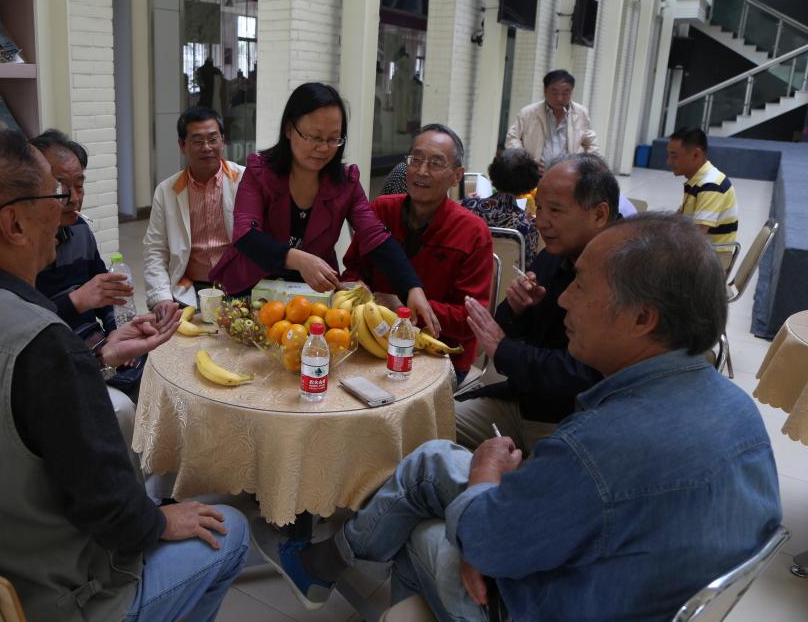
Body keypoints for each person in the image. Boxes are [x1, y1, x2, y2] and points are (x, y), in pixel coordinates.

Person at [254, 212, 781, 621]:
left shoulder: (597, 446)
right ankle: (326, 562)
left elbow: (491, 541)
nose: (565, 300)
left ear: (642, 318)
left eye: (582, 287)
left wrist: (484, 490)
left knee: (426, 533)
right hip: (622, 578)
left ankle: (337, 566)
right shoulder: (739, 410)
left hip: (550, 603)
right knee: (432, 461)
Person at [0, 131, 248, 622]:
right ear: (14, 223)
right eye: (54, 195)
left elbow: (9, 410)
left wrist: (98, 359)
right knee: (229, 529)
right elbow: (116, 517)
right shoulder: (41, 341)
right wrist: (159, 519)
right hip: (42, 601)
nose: (65, 208)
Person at [210, 82, 441, 335]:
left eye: (333, 139)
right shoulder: (259, 172)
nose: (323, 148)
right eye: (314, 137)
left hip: (312, 298)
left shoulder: (346, 183)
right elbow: (246, 235)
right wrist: (299, 259)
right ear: (289, 129)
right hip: (249, 290)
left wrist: (411, 287)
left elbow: (376, 237)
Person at [456, 154, 617, 454]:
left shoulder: (622, 273)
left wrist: (504, 349)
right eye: (538, 207)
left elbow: (584, 375)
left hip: (576, 420)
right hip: (521, 401)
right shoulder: (554, 255)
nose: (540, 221)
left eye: (555, 210)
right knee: (429, 423)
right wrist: (516, 310)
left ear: (599, 214)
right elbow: (509, 328)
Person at [342, 124, 493, 378]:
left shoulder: (473, 232)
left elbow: (470, 319)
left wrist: (402, 308)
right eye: (416, 160)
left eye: (436, 163)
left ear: (457, 176)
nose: (422, 171)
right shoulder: (381, 211)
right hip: (374, 340)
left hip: (440, 354)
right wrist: (356, 289)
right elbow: (352, 271)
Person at [30, 130, 144, 442]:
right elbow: (24, 327)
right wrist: (76, 301)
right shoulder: (21, 250)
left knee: (161, 366)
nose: (74, 198)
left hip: (94, 344)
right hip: (59, 360)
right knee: (122, 407)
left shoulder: (79, 229)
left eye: (79, 185)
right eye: (60, 187)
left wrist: (118, 331)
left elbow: (106, 292)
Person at [144, 107, 245, 320]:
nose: (206, 147)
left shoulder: (245, 180)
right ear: (182, 145)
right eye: (197, 141)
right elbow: (155, 250)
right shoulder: (166, 191)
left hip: (240, 285)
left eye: (213, 139)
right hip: (190, 289)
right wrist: (161, 297)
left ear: (223, 140)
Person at [462, 148, 541, 268]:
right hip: (508, 277)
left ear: (494, 174)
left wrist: (467, 201)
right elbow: (529, 263)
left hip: (470, 272)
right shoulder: (528, 223)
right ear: (530, 180)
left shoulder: (469, 207)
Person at [505, 69, 598, 168]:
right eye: (554, 93)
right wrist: (527, 161)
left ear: (571, 92)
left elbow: (591, 143)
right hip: (535, 171)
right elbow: (512, 138)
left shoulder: (580, 113)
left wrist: (586, 166)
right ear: (545, 91)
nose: (559, 98)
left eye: (565, 93)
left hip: (568, 173)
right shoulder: (528, 113)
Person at [667, 126, 739, 246]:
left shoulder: (711, 185)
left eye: (674, 156)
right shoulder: (697, 182)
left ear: (696, 154)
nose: (669, 161)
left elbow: (696, 238)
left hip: (712, 256)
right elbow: (676, 221)